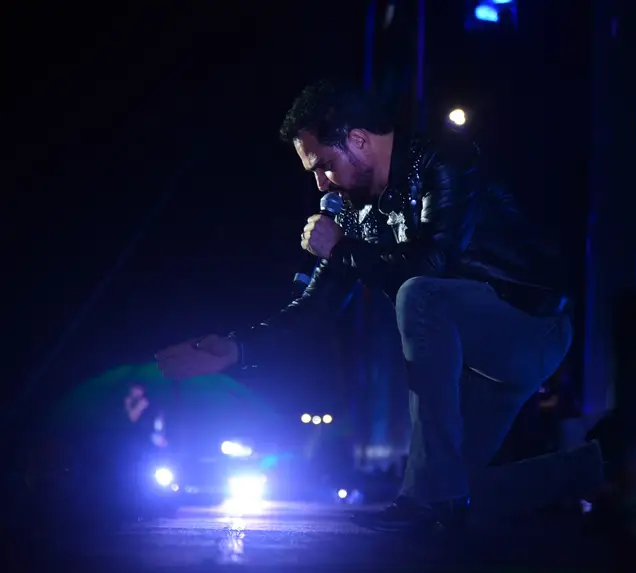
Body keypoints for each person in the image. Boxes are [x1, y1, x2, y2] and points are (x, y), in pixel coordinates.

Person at [155, 80, 573, 533]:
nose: (319, 183)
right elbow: (316, 308)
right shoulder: (355, 213)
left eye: (324, 166)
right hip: (476, 365)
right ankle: (593, 469)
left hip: (530, 327)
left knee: (419, 294)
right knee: (446, 492)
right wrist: (238, 349)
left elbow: (434, 263)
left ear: (357, 140)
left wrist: (340, 249)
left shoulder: (443, 160)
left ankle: (437, 499)